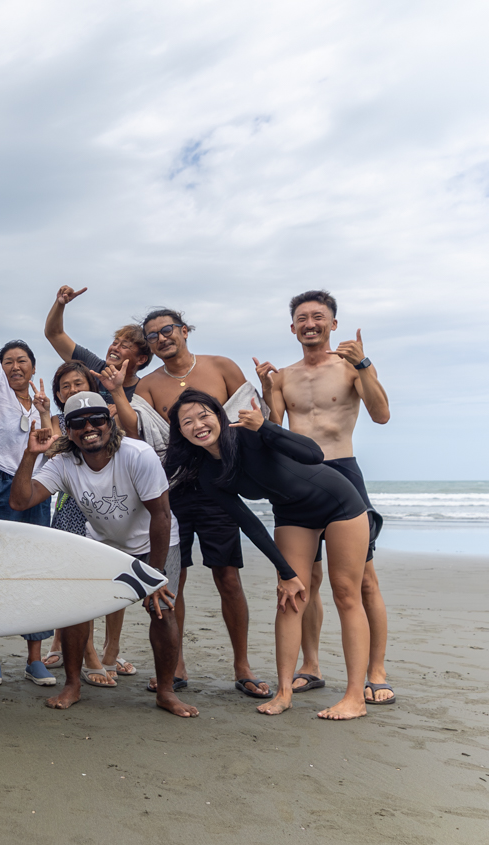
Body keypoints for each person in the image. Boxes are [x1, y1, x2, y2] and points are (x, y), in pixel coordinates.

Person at [165, 389, 372, 720]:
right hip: (293, 515)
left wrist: (265, 427)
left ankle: (354, 698)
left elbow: (314, 454)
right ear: (181, 432)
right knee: (290, 597)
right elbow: (249, 524)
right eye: (187, 421)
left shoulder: (249, 434)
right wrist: (285, 572)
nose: (198, 425)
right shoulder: (207, 474)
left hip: (338, 501)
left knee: (346, 593)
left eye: (204, 415)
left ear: (218, 415)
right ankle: (284, 692)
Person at [10, 392, 198, 718]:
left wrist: (154, 578)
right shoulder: (64, 463)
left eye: (97, 419)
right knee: (76, 608)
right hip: (104, 543)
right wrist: (30, 455)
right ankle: (72, 684)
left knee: (162, 610)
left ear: (109, 423)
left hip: (155, 543)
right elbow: (20, 501)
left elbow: (162, 516)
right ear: (68, 430)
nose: (89, 427)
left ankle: (166, 692)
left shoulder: (137, 455)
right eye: (78, 423)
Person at [255, 290, 393, 704]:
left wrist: (365, 365)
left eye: (318, 317)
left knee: (361, 583)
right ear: (292, 326)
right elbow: (274, 431)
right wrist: (265, 391)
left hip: (343, 474)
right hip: (298, 479)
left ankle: (377, 669)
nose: (309, 323)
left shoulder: (351, 368)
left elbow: (382, 414)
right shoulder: (283, 376)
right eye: (301, 317)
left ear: (333, 325)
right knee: (305, 581)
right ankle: (310, 666)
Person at [132, 308, 271, 699]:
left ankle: (242, 665)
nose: (162, 338)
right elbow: (138, 434)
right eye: (154, 335)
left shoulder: (221, 367)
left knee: (228, 577)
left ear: (185, 331)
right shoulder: (147, 386)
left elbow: (255, 418)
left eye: (168, 330)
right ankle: (175, 666)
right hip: (170, 493)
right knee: (172, 581)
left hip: (219, 487)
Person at [0, 265, 52, 686]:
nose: (14, 366)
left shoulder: (40, 402)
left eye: (21, 361)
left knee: (33, 567)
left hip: (37, 488)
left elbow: (52, 446)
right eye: (8, 362)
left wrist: (43, 412)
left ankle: (35, 656)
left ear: (33, 366)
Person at [34, 362, 129, 685]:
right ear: (59, 394)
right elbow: (54, 453)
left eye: (78, 383)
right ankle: (82, 650)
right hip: (71, 506)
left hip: (109, 505)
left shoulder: (107, 415)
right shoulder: (62, 422)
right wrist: (46, 415)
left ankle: (107, 649)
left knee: (110, 578)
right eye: (66, 386)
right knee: (74, 580)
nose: (72, 390)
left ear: (92, 384)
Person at [44, 284, 150, 437]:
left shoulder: (143, 390)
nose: (115, 348)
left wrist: (121, 408)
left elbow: (138, 430)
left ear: (141, 359)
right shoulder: (94, 366)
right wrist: (60, 304)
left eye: (124, 346)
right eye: (114, 343)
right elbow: (54, 334)